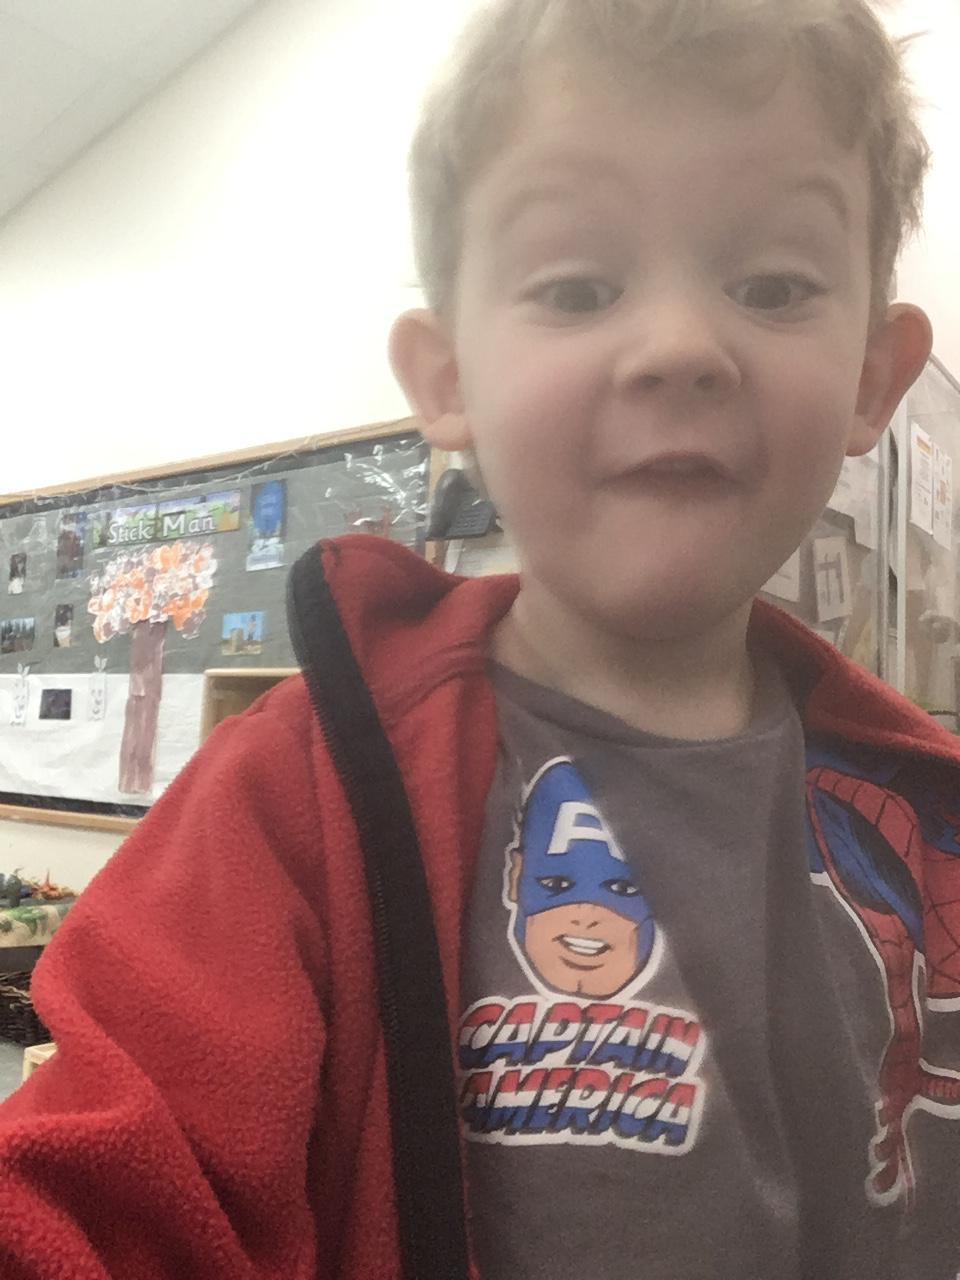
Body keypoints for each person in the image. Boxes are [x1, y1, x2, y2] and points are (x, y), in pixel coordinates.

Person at [0, 1, 957, 1277]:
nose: (680, 346)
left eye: (773, 285)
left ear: (872, 378)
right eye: (580, 287)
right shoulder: (294, 796)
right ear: (447, 378)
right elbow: (94, 1195)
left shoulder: (931, 815)